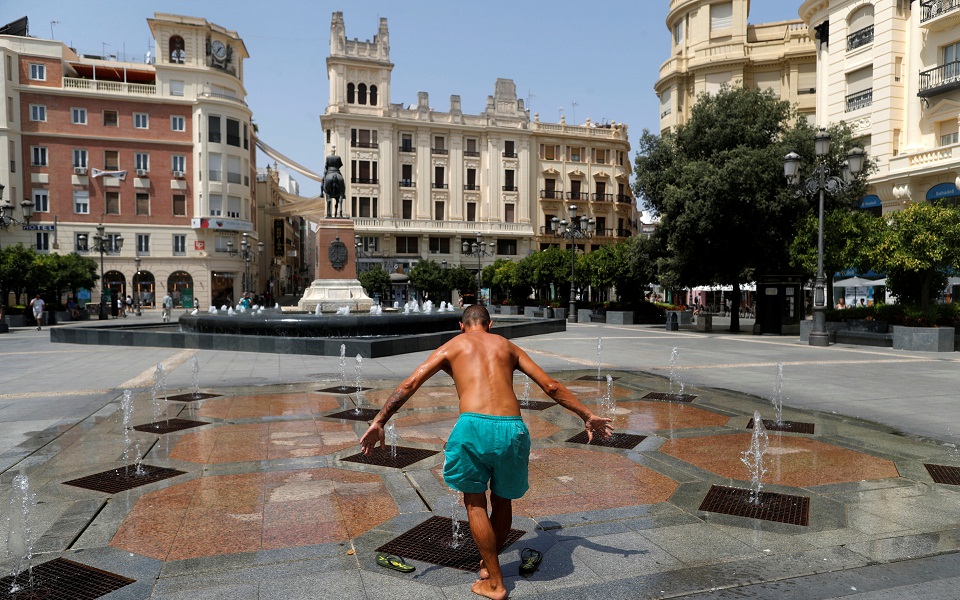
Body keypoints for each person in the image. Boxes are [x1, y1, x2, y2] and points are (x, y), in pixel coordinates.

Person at [360, 305, 613, 599]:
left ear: (461, 325)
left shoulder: (452, 346)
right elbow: (551, 386)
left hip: (472, 427)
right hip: (512, 428)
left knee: (475, 502)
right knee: (502, 501)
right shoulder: (507, 346)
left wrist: (380, 421)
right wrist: (586, 415)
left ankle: (495, 583)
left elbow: (410, 383)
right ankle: (487, 566)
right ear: (490, 324)